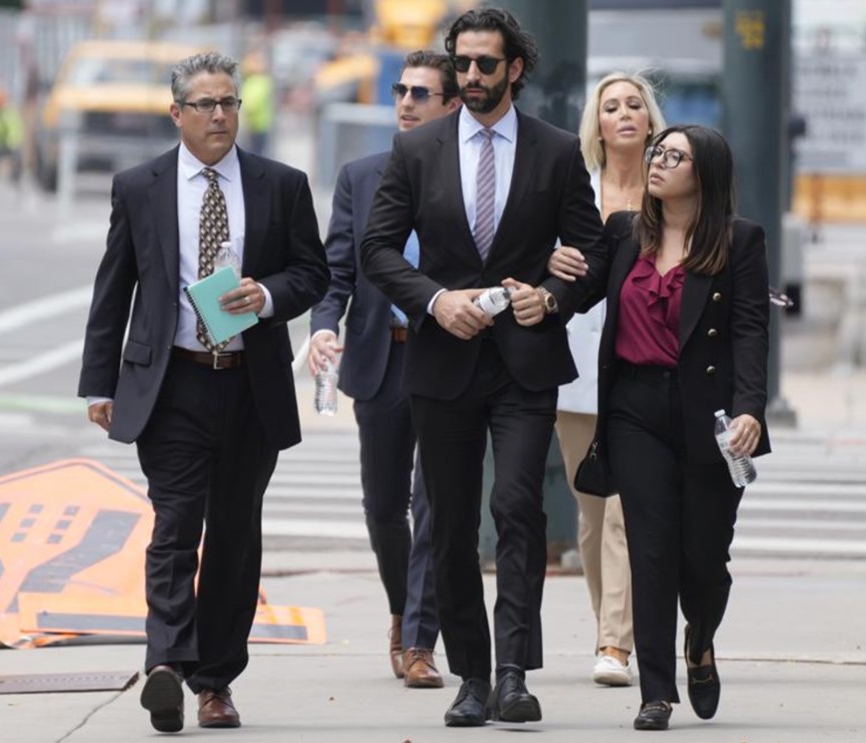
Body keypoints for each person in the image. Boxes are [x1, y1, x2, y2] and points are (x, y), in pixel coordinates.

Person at [360, 7, 607, 728]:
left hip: (524, 364)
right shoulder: (417, 151)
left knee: (518, 509)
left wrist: (553, 296)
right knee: (451, 522)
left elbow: (590, 254)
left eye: (484, 65)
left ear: (515, 69)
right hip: (443, 362)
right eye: (462, 64)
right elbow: (377, 250)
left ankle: (512, 672)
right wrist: (435, 301)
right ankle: (470, 672)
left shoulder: (557, 151)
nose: (470, 76)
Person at [78, 52, 328, 734]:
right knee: (175, 525)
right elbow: (115, 286)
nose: (220, 115)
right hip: (173, 381)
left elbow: (313, 272)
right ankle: (165, 663)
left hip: (251, 383)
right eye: (206, 104)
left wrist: (269, 294)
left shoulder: (280, 184)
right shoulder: (141, 185)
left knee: (235, 539)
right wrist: (99, 382)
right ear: (177, 113)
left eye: (230, 103)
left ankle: (215, 680)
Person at [561, 125, 770, 731]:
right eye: (658, 152)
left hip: (710, 417)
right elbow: (581, 291)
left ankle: (699, 641)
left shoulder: (739, 241)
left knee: (704, 558)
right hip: (634, 408)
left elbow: (750, 332)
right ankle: (656, 690)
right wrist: (548, 286)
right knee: (650, 551)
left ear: (702, 174)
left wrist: (751, 407)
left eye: (673, 156)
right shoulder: (625, 232)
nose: (658, 162)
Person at [309, 50, 461, 689]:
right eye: (401, 90)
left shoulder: (466, 175)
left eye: (421, 93)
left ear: (451, 104)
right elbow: (337, 266)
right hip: (380, 355)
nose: (405, 102)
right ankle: (403, 608)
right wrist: (323, 324)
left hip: (448, 354)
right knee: (383, 507)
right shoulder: (361, 175)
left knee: (434, 504)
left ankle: (421, 641)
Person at [549, 72, 667, 688]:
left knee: (626, 511)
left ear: (650, 118)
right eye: (611, 106)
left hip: (641, 369)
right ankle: (608, 628)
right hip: (574, 370)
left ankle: (616, 643)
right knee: (592, 514)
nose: (624, 114)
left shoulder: (671, 188)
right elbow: (538, 254)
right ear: (596, 123)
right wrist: (548, 259)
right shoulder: (575, 187)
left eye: (634, 105)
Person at [240, 51, 273, 156]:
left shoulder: (258, 81)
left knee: (255, 154)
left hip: (256, 125)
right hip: (258, 124)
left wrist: (247, 116)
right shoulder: (256, 81)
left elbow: (252, 104)